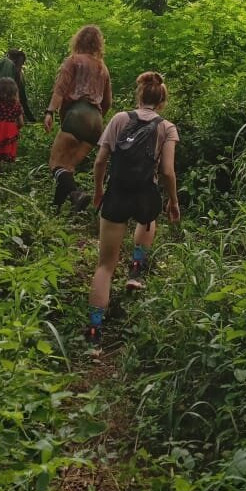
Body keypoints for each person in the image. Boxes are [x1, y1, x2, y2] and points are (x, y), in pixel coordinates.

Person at [85, 71, 181, 347]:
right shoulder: (167, 127)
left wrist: (99, 190)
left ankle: (93, 334)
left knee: (104, 266)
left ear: (139, 95)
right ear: (162, 100)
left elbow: (100, 161)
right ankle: (136, 269)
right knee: (148, 218)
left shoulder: (119, 119)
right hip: (145, 194)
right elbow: (167, 171)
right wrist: (173, 201)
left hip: (117, 193)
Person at [43, 25, 112, 212]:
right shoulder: (103, 68)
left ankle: (76, 194)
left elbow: (60, 90)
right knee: (67, 168)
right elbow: (108, 102)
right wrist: (95, 118)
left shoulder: (73, 61)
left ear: (78, 40)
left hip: (77, 114)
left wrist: (50, 112)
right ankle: (55, 210)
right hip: (96, 121)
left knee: (56, 163)